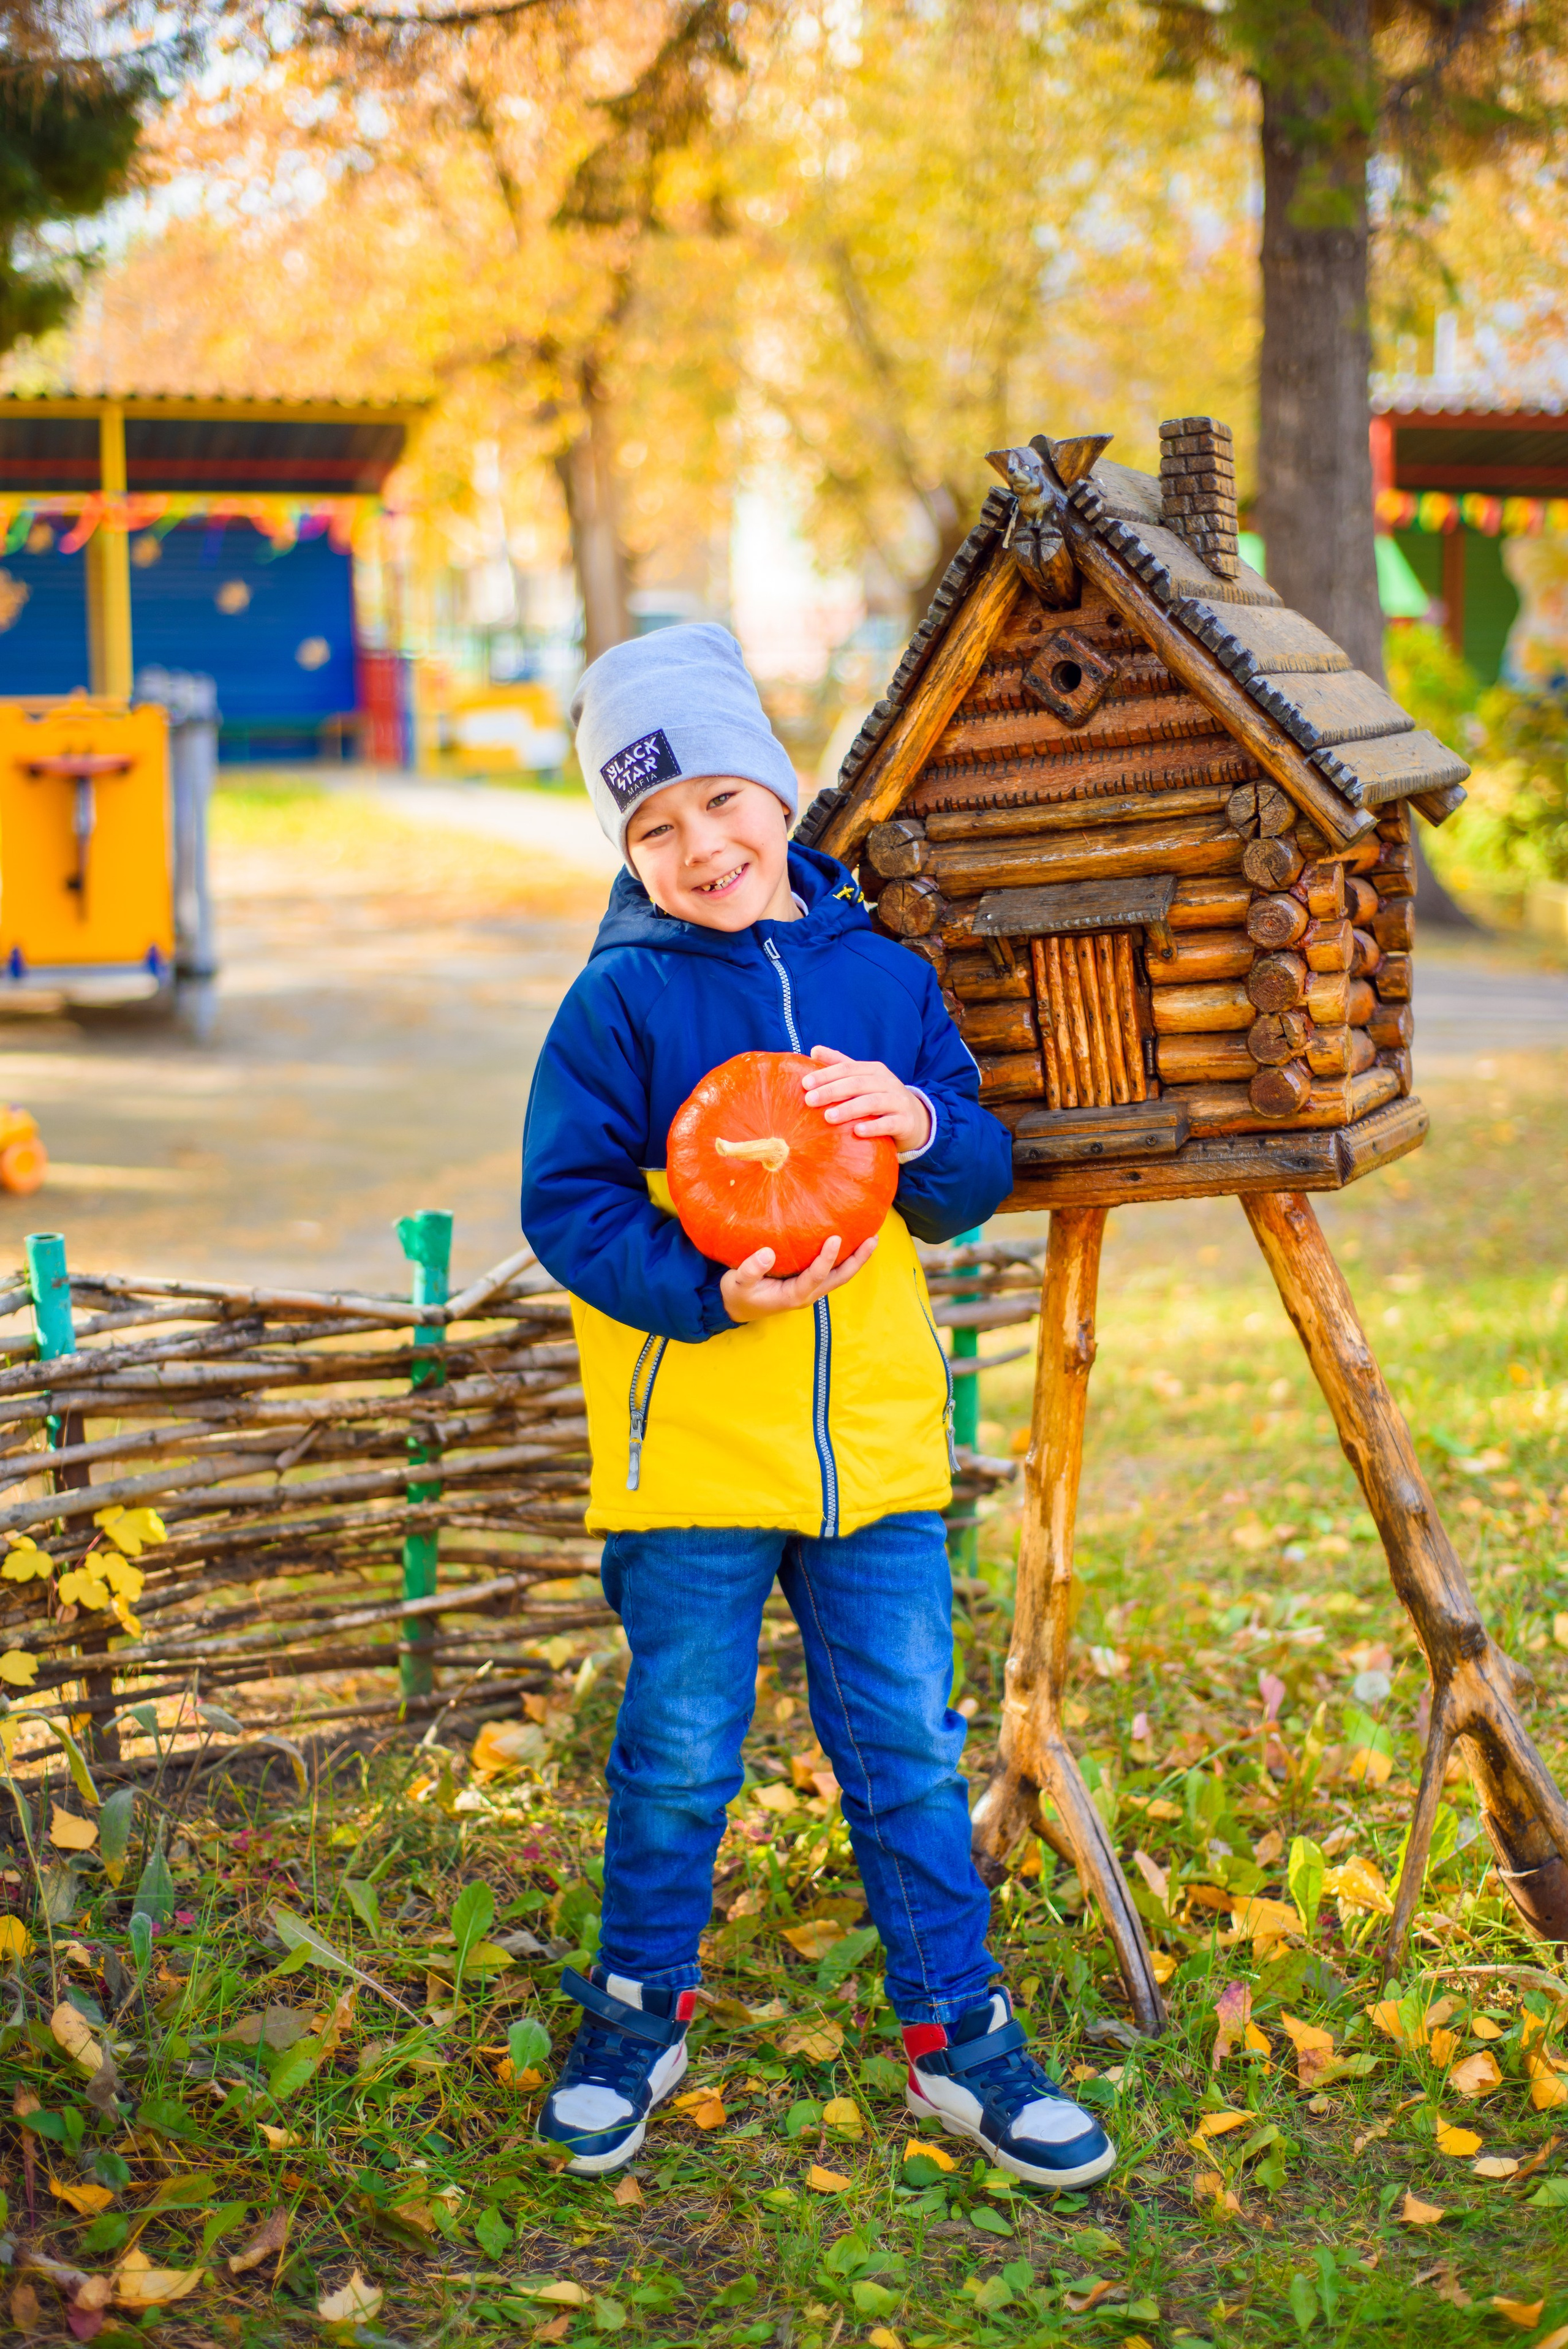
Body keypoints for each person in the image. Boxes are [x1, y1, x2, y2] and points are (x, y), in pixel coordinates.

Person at [519, 622, 1114, 2190]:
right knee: (678, 1751)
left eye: (720, 799)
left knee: (907, 1751)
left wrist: (920, 1119)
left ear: (777, 791)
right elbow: (567, 1205)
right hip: (697, 1458)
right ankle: (636, 2015)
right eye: (650, 826)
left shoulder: (883, 977)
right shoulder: (619, 1007)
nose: (699, 845)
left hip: (874, 1463)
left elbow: (971, 1178)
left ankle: (956, 2036)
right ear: (623, 848)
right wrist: (705, 1292)